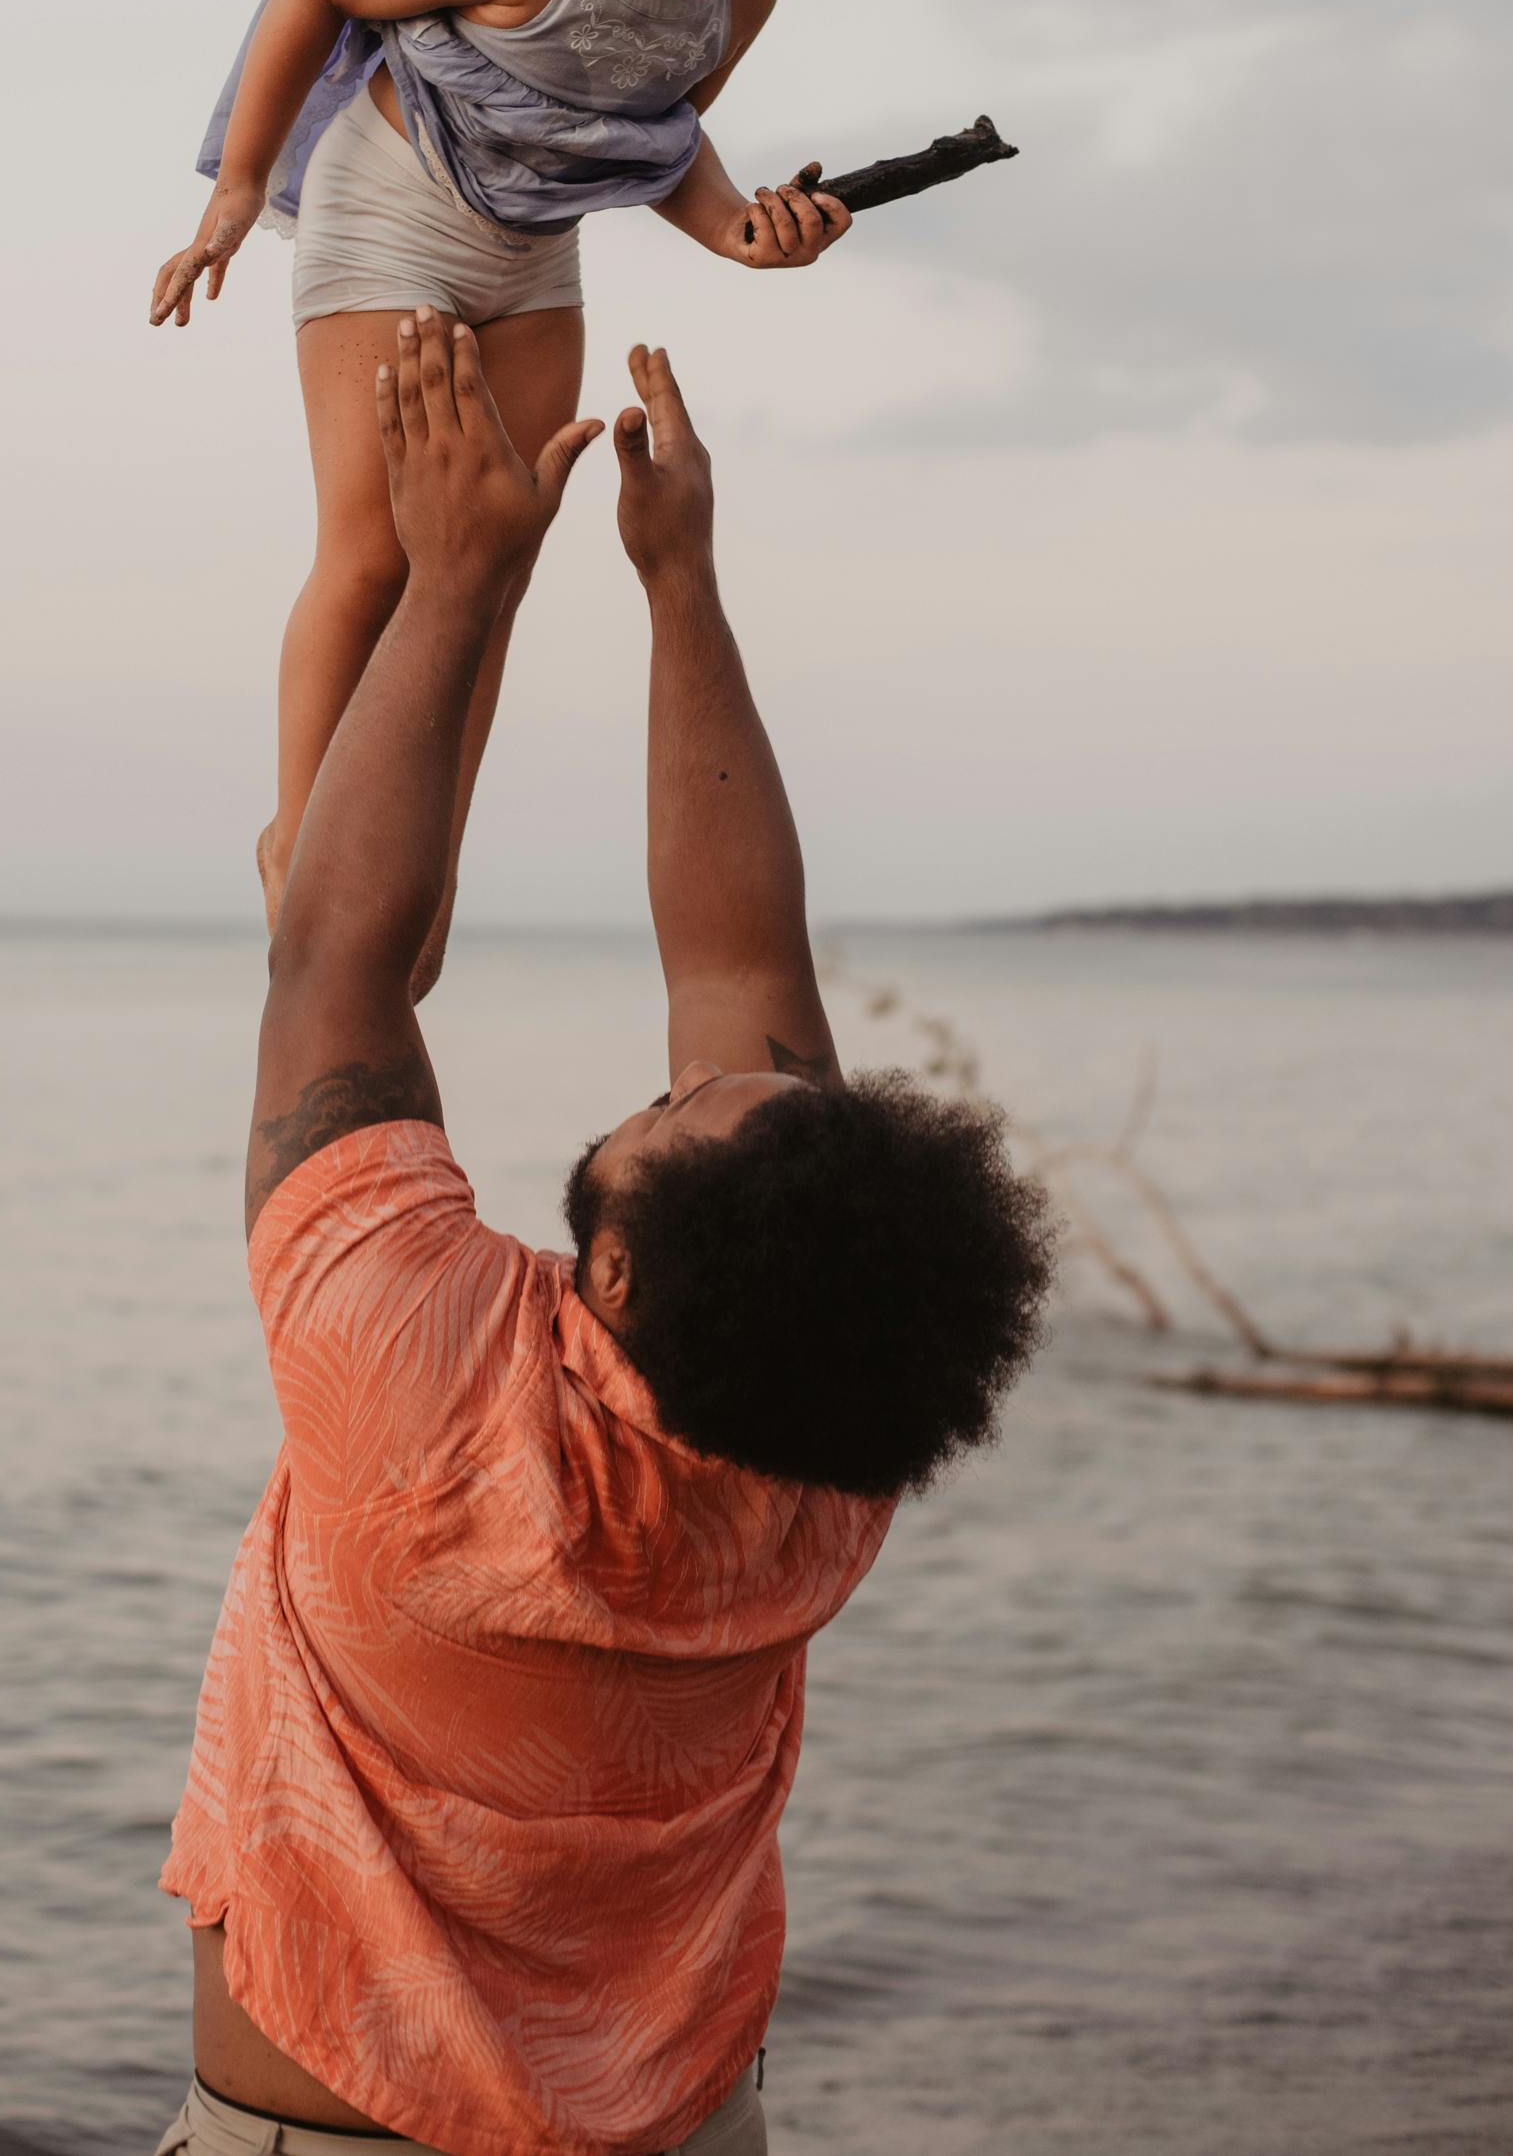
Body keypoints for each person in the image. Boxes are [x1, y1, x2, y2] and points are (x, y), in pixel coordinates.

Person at [155, 320, 1053, 2156]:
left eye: (678, 1116)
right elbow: (737, 967)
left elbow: (332, 957)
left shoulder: (418, 1384)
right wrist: (680, 586)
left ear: (617, 1277)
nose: (681, 1083)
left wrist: (463, 581)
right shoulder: (824, 1454)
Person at [147, 0, 968, 987]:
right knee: (375, 543)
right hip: (392, 209)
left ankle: (423, 852)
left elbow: (655, 143)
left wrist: (747, 235)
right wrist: (235, 186)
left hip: (532, 250)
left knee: (494, 558)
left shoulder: (736, 4)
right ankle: (303, 834)